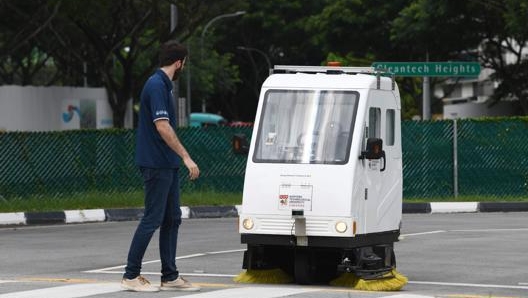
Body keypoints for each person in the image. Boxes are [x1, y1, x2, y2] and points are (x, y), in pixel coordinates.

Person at [121, 40, 201, 292]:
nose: (184, 68)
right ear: (178, 63)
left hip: (167, 164)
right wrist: (186, 157)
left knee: (172, 219)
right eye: (184, 64)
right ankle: (131, 275)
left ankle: (169, 276)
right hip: (156, 164)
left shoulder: (164, 87)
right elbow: (162, 126)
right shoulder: (156, 85)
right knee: (153, 218)